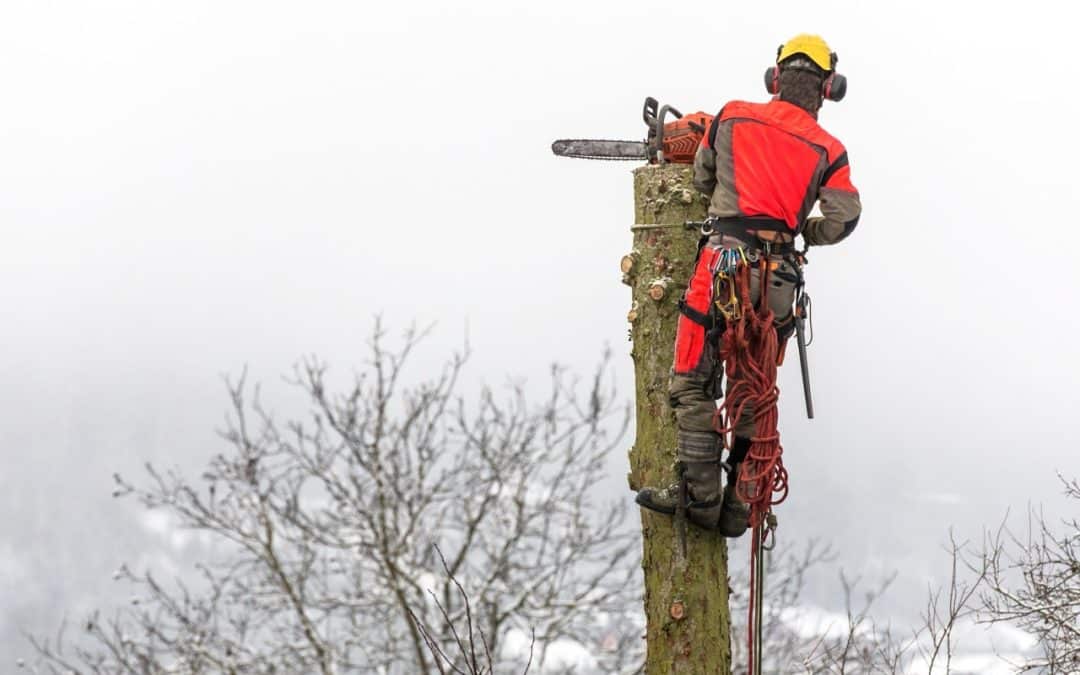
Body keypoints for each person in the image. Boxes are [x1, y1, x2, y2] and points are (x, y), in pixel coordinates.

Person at [635, 34, 861, 537]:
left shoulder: (733, 115)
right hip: (777, 277)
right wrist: (805, 231)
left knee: (692, 378)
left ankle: (699, 495)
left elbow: (700, 179)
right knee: (754, 389)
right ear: (828, 88)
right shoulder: (830, 148)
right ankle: (740, 504)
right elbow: (844, 217)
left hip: (722, 261)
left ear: (775, 79)